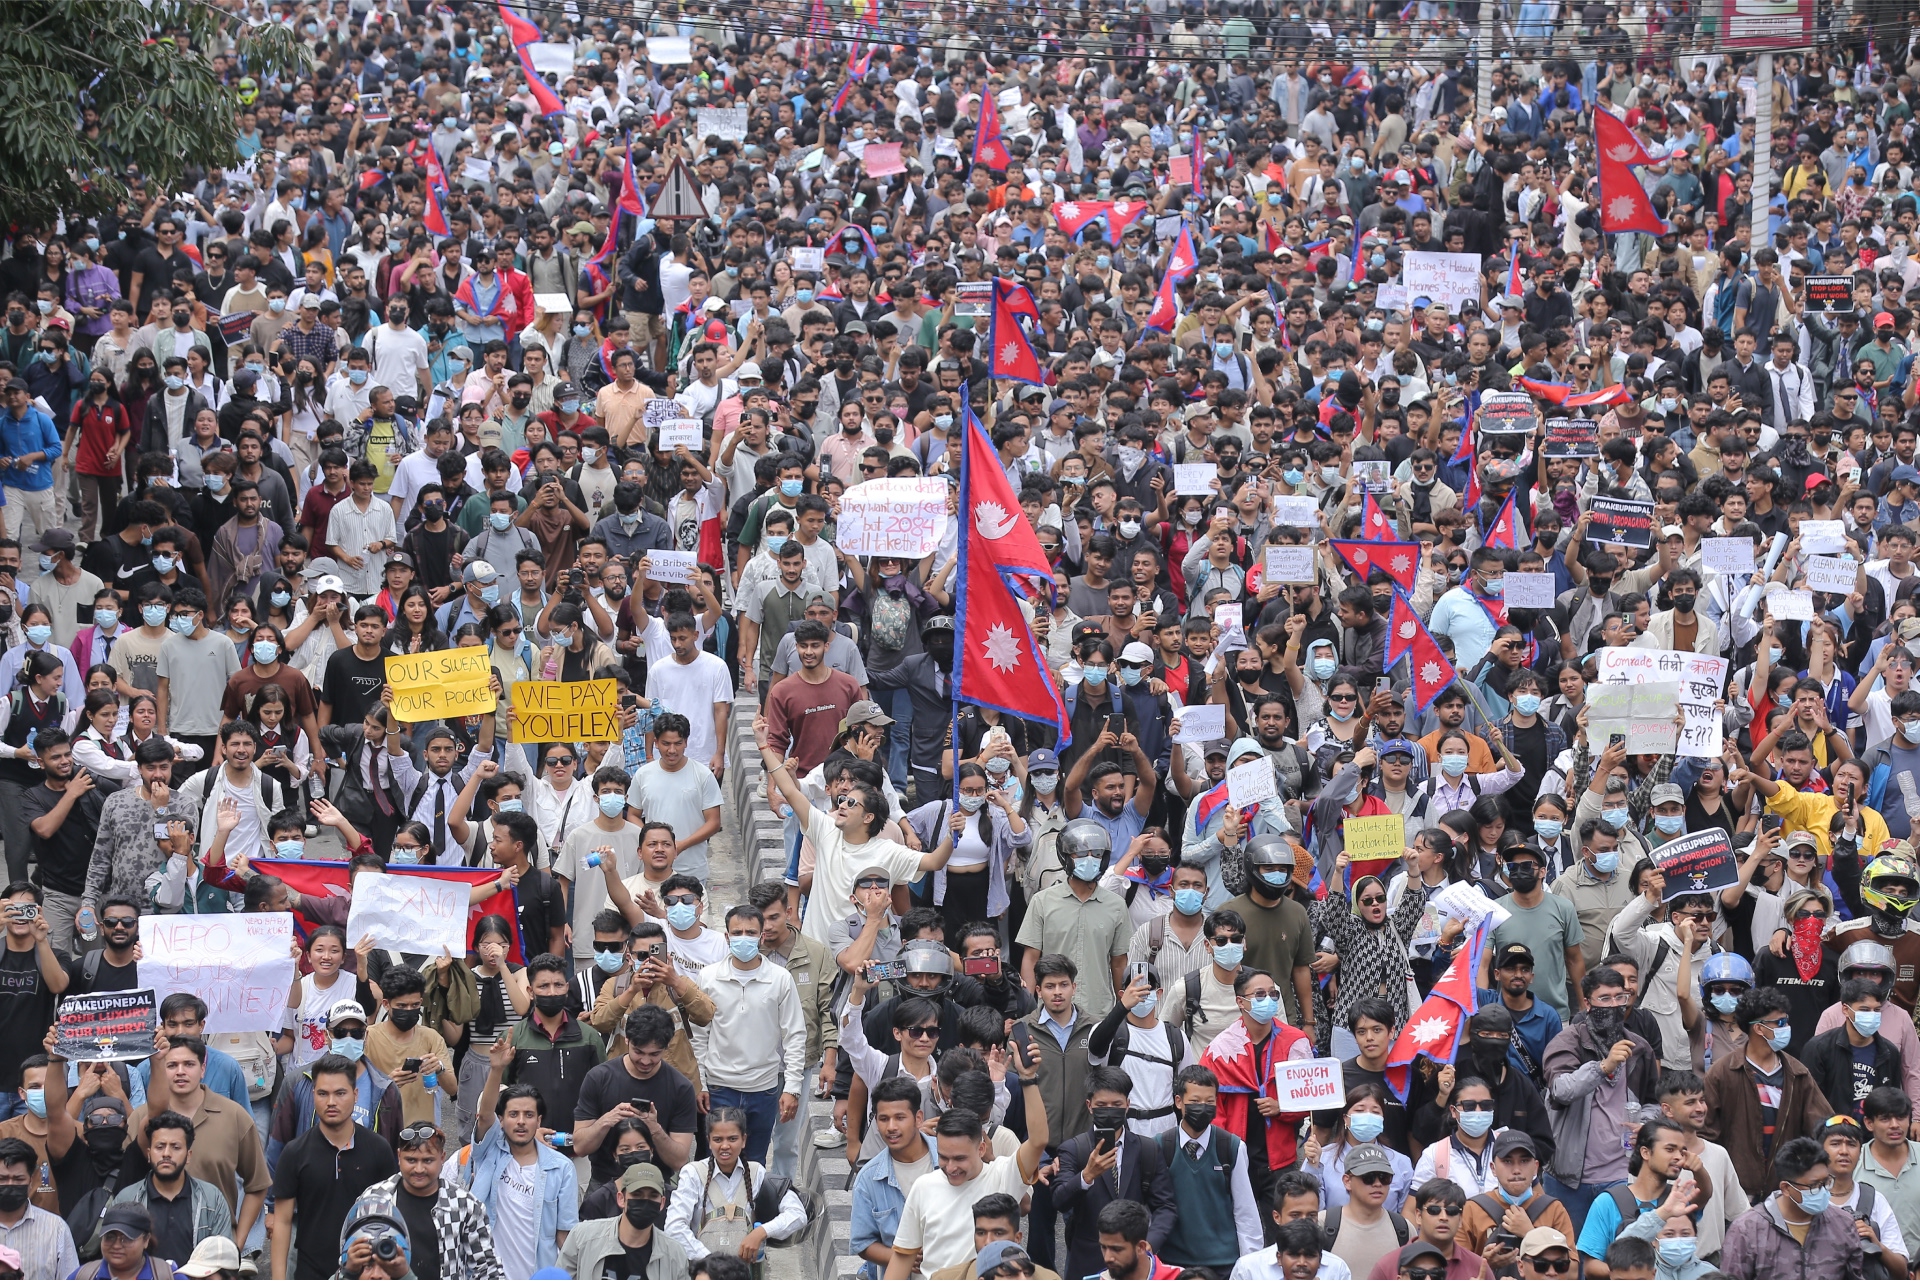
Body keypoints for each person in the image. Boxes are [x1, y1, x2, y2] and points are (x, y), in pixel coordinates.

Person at [883, 1041, 1050, 1279]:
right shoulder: (924, 1187)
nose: (951, 1168)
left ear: (981, 1148)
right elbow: (902, 1257)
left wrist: (1028, 1079)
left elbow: (1039, 1140)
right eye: (943, 1157)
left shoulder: (1004, 1175)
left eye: (960, 1158)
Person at [268, 1053, 400, 1281]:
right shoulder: (294, 1153)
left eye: (340, 1093)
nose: (331, 1102)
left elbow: (392, 1216)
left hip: (366, 1273)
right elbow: (282, 1222)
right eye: (323, 1093)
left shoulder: (379, 1149)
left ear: (355, 1094)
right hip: (310, 1272)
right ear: (313, 1096)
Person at [1051, 1066, 1178, 1278]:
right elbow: (1059, 1200)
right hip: (1086, 1262)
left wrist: (1148, 1245)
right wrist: (1086, 1176)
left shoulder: (1147, 1150)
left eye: (1116, 1105)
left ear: (1127, 1105)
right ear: (1089, 1106)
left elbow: (1165, 1206)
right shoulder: (1073, 1149)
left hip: (1135, 1263)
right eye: (1102, 1105)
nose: (1109, 1110)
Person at [462, 1058, 579, 1279]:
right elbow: (484, 1114)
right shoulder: (488, 1152)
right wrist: (497, 1068)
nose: (521, 1122)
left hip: (539, 1273)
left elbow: (565, 1234)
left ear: (539, 1120)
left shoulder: (562, 1168)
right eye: (513, 1114)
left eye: (529, 1115)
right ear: (501, 1120)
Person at [355, 1121, 505, 1281]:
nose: (419, 1169)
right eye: (411, 1160)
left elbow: (488, 1270)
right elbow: (352, 1264)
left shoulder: (464, 1205)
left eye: (427, 1160)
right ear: (399, 1156)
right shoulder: (373, 1200)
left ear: (442, 1158)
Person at [661, 1106, 807, 1266]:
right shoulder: (693, 1173)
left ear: (743, 1140)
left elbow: (798, 1214)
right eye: (718, 1139)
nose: (725, 1146)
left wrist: (760, 1232)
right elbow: (674, 1227)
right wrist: (711, 1261)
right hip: (703, 1271)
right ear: (708, 1141)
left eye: (732, 1139)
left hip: (746, 1271)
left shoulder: (756, 1172)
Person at [1718, 1134, 1865, 1278]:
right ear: (1786, 1189)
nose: (1823, 1191)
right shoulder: (1747, 1230)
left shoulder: (1842, 1224)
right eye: (1814, 1185)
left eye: (1826, 1182)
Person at [105, 1109, 234, 1267]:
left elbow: (222, 1261)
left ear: (188, 1155)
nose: (166, 1153)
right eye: (159, 1147)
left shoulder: (212, 1199)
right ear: (149, 1154)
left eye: (175, 1147)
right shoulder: (126, 1199)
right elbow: (115, 1260)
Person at [554, 1161, 690, 1279]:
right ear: (621, 1198)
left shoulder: (674, 1255)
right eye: (637, 1194)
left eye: (653, 1195)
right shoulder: (582, 1238)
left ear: (662, 1203)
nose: (644, 1201)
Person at [0, 1136, 76, 1279]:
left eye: (18, 1179)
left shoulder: (56, 1228)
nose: (10, 1184)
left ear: (31, 1180)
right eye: (2, 1179)